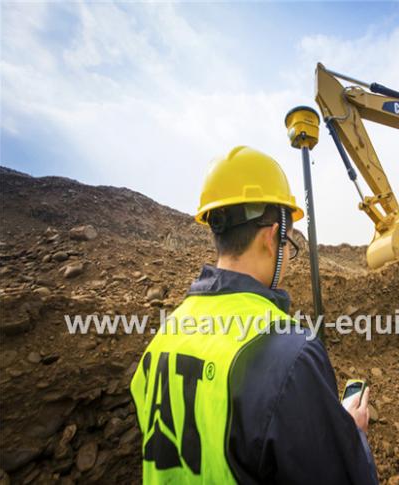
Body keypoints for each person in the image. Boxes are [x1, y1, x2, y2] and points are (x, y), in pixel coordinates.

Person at [130, 146, 378, 484]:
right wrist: (353, 436)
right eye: (289, 243)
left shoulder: (164, 336)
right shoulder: (291, 354)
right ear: (272, 236)